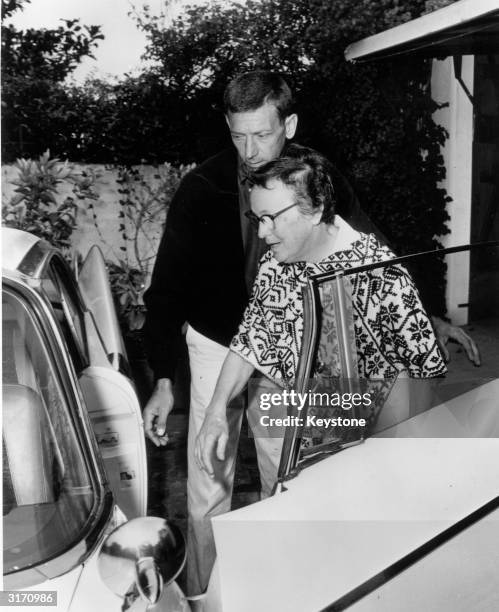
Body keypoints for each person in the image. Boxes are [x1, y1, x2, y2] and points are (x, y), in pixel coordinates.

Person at [142, 70, 478, 599]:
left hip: (311, 357)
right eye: (237, 135)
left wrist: (420, 316)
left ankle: (318, 583)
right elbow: (192, 303)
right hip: (219, 341)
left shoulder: (318, 183)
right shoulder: (204, 190)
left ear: (289, 124)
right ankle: (210, 594)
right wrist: (172, 383)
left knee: (305, 473)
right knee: (211, 479)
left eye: (262, 134)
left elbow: (372, 249)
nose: (250, 150)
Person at [195, 145, 447, 478]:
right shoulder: (275, 264)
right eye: (256, 219)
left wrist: (390, 463)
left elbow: (413, 380)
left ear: (315, 210)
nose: (261, 232)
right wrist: (216, 408)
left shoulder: (381, 275)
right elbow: (251, 339)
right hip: (307, 432)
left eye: (271, 218)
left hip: (376, 443)